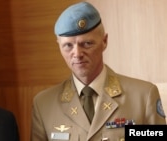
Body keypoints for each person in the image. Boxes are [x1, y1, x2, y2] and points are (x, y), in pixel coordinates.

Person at [31, 2, 166, 141]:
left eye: (87, 43)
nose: (77, 53)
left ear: (104, 41)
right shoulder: (43, 105)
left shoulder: (143, 97)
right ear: (59, 46)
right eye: (68, 46)